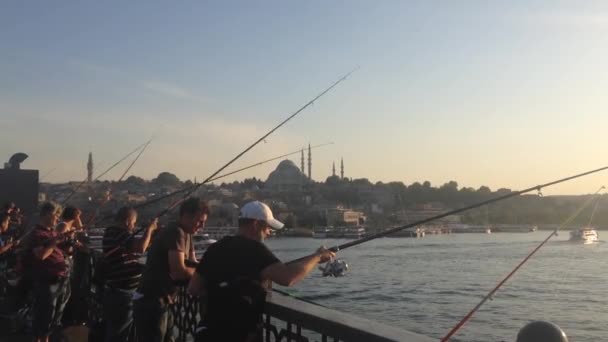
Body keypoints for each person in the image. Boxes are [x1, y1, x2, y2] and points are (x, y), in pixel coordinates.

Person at [188, 200, 335, 342]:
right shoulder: (256, 250)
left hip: (207, 332)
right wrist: (318, 257)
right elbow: (288, 277)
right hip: (237, 335)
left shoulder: (216, 248)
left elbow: (194, 288)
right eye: (267, 228)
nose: (269, 233)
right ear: (256, 224)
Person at [133, 197, 209, 342]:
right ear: (186, 216)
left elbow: (193, 263)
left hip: (163, 300)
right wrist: (200, 275)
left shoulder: (187, 234)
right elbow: (179, 271)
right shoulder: (176, 232)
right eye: (200, 221)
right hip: (152, 301)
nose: (202, 226)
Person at [101, 207, 158, 342]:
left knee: (115, 331)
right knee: (119, 334)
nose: (133, 227)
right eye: (133, 223)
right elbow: (140, 248)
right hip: (122, 293)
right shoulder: (120, 233)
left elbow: (129, 251)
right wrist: (149, 229)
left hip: (114, 290)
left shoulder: (111, 233)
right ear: (127, 222)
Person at [27, 202, 70, 342]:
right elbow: (41, 255)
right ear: (46, 214)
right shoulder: (36, 233)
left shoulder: (51, 232)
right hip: (47, 282)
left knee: (53, 320)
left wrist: (68, 243)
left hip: (60, 280)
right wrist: (55, 240)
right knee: (44, 318)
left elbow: (61, 250)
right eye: (56, 214)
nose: (58, 218)